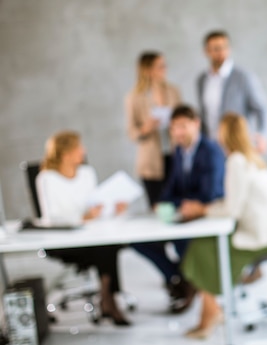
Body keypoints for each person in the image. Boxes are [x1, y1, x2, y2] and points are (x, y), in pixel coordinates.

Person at [181, 112, 267, 339]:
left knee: (200, 249)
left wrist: (201, 210)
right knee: (203, 244)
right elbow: (236, 202)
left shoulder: (237, 161)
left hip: (262, 238)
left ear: (225, 134)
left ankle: (211, 312)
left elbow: (233, 210)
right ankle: (210, 311)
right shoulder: (251, 157)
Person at [132, 104, 225, 314]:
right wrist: (163, 203)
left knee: (182, 241)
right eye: (174, 128)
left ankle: (187, 283)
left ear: (196, 124)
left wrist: (181, 203)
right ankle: (180, 277)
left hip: (207, 217)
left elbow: (209, 193)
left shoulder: (211, 151)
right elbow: (171, 188)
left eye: (183, 126)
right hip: (182, 214)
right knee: (139, 241)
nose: (178, 132)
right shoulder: (179, 152)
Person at [35, 131, 130, 326]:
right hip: (64, 240)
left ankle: (107, 295)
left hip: (91, 235)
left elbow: (95, 206)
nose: (83, 151)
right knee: (106, 248)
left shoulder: (87, 173)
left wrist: (114, 208)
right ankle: (108, 299)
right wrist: (82, 218)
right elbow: (51, 218)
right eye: (78, 148)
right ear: (65, 153)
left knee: (108, 244)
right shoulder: (46, 178)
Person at [196, 30, 267, 153]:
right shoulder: (202, 80)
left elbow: (262, 108)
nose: (221, 52)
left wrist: (263, 136)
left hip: (236, 146)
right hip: (211, 147)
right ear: (207, 51)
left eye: (224, 47)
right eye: (216, 48)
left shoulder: (243, 77)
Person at [125, 51, 181, 207]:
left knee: (177, 203)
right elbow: (131, 132)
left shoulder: (173, 91)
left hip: (174, 153)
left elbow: (183, 118)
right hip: (151, 161)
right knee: (157, 206)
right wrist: (146, 128)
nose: (165, 69)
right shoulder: (134, 97)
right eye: (160, 66)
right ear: (147, 70)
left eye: (165, 65)